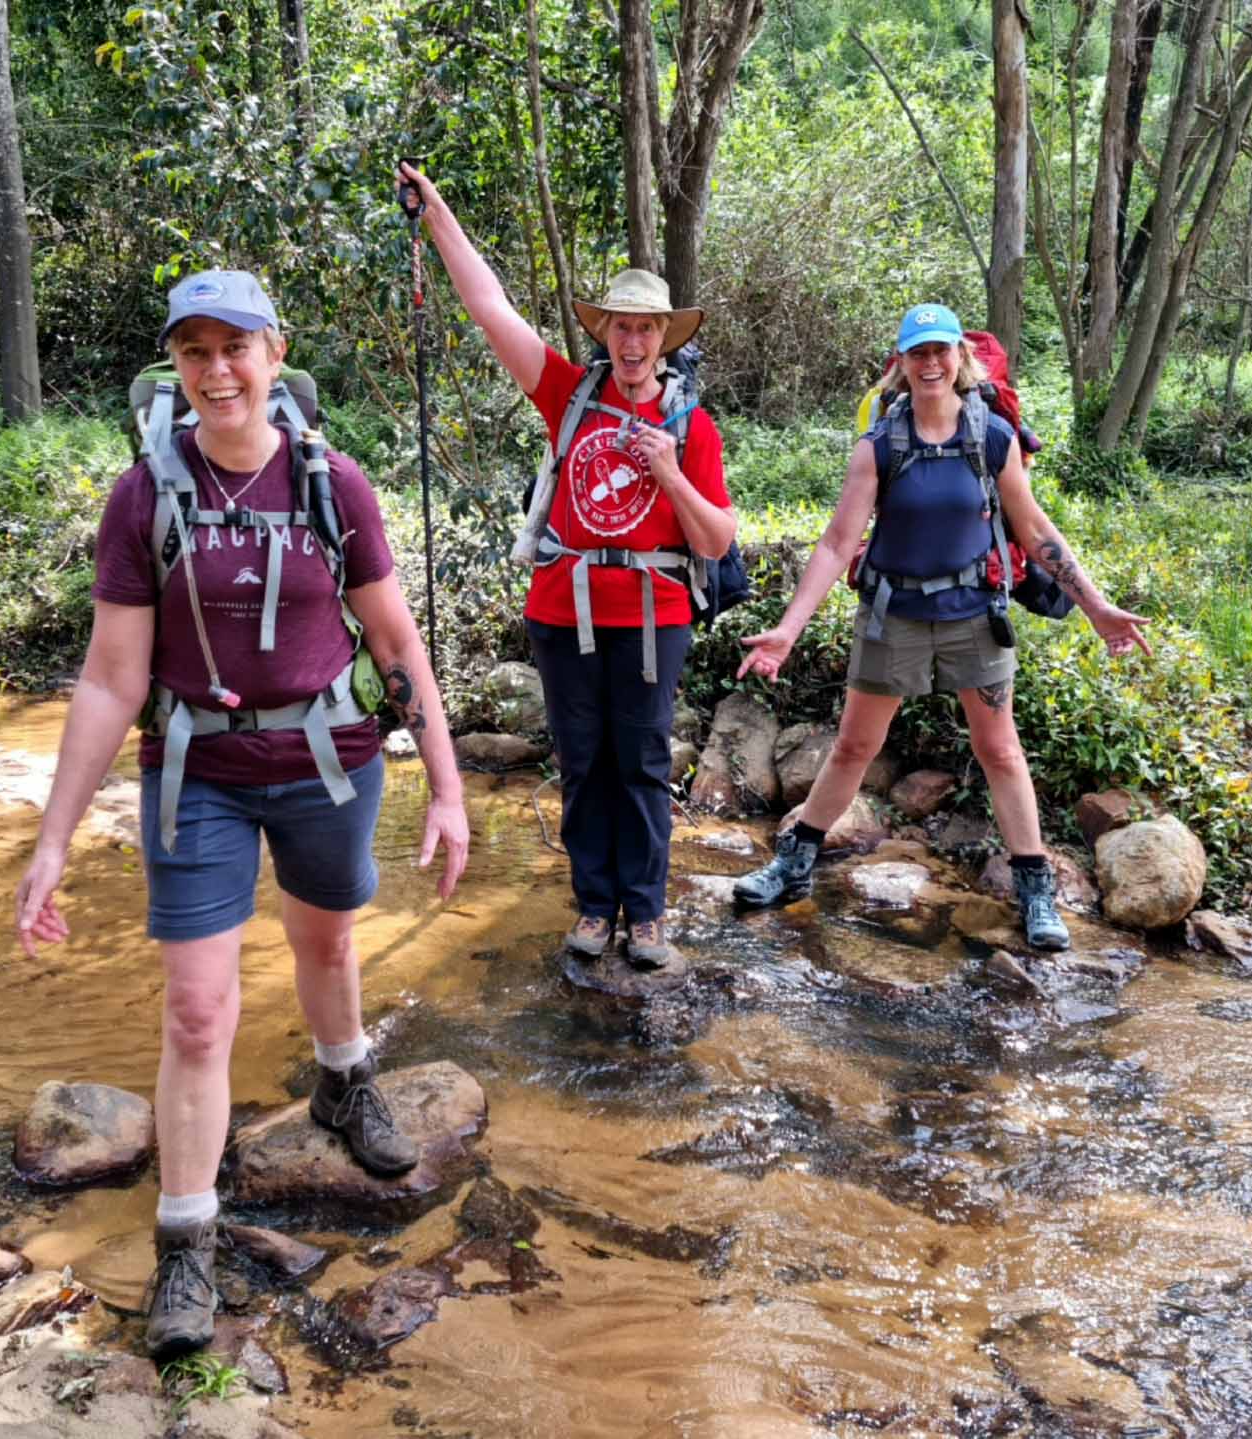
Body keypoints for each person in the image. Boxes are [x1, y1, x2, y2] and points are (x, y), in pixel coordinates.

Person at [13, 269, 469, 1361]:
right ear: (176, 367)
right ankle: (186, 1240)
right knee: (198, 1010)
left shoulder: (332, 483)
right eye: (195, 352)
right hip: (195, 773)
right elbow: (111, 679)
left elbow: (397, 647)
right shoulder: (141, 497)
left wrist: (450, 786)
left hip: (328, 758)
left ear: (274, 353)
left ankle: (343, 1079)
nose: (218, 370)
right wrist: (52, 840)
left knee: (326, 937)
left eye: (236, 347)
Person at [398, 162, 736, 970]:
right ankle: (594, 904)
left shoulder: (693, 426)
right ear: (605, 333)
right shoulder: (566, 393)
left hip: (655, 616)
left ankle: (646, 915)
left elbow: (718, 542)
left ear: (664, 339)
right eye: (619, 325)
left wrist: (668, 473)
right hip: (563, 610)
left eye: (645, 329)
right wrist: (440, 214)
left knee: (645, 763)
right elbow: (490, 309)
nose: (630, 340)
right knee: (583, 764)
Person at [732, 303, 1150, 947]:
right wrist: (788, 629)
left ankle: (1036, 893)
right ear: (901, 365)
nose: (930, 364)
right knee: (852, 749)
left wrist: (1096, 607)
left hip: (973, 617)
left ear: (960, 359)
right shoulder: (879, 447)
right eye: (918, 353)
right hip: (891, 616)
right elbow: (838, 543)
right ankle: (794, 862)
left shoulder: (991, 439)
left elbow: (1034, 530)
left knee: (1001, 751)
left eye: (940, 352)